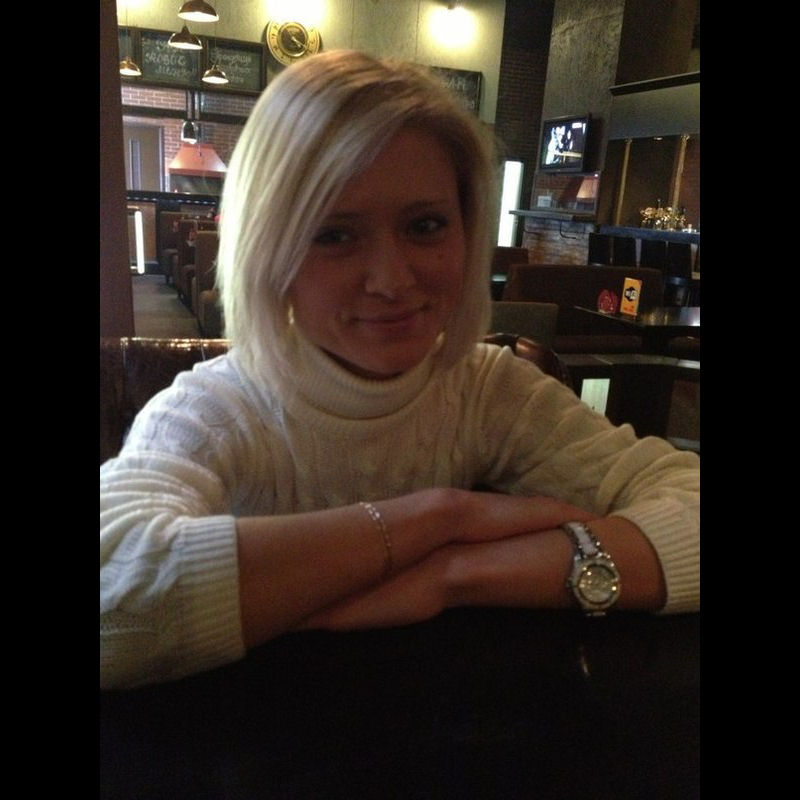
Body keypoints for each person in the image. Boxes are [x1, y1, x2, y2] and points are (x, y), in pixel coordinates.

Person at [100, 50, 699, 690]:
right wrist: (440, 519)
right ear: (268, 249)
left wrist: (452, 576)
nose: (391, 280)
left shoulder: (487, 389)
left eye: (425, 225)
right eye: (334, 234)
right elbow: (114, 597)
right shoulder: (215, 409)